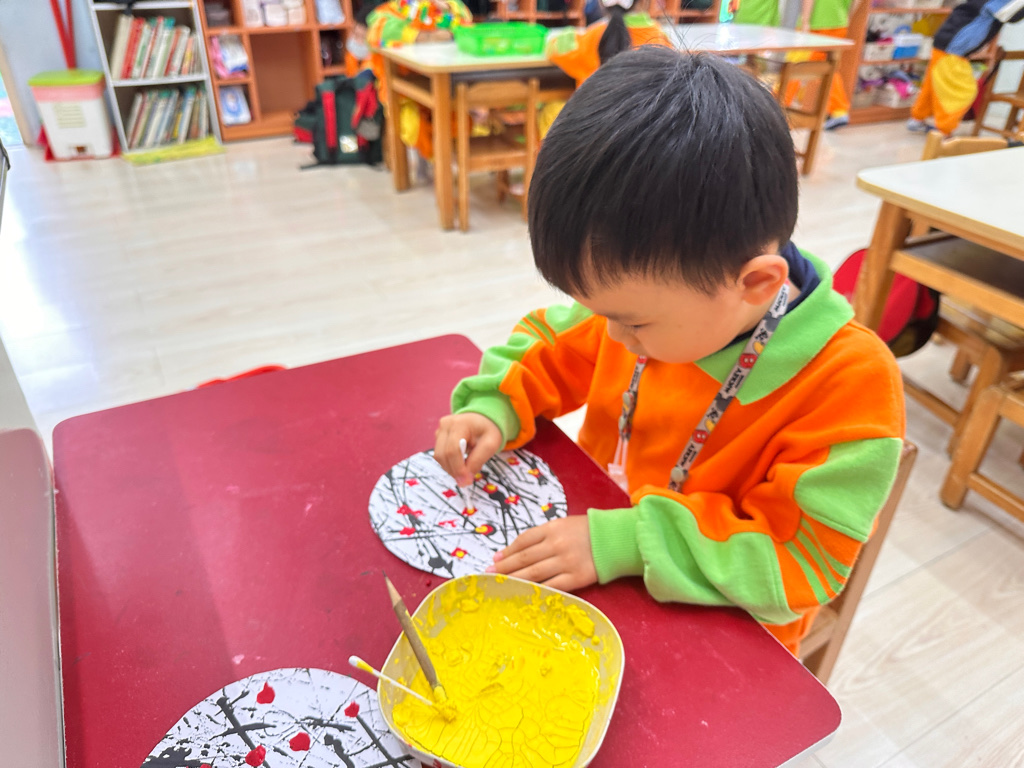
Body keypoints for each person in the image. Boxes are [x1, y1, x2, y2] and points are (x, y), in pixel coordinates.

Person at [432, 47, 905, 656]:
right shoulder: (655, 298)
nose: (611, 336)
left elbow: (801, 558)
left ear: (755, 284)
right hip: (595, 549)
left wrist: (628, 542)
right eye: (601, 312)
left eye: (632, 322)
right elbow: (550, 343)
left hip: (725, 634)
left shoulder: (849, 385)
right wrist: (494, 405)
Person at [539, 0, 669, 135]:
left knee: (549, 111)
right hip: (642, 132)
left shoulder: (595, 35)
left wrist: (566, 35)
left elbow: (556, 50)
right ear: (645, 2)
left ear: (602, 3)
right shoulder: (660, 37)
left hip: (593, 129)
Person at [366, 0, 474, 162]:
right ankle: (434, 161)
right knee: (413, 127)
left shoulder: (450, 6)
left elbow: (466, 22)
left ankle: (447, 161)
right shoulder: (394, 9)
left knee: (463, 123)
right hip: (402, 92)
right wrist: (423, 37)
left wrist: (449, 10)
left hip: (444, 85)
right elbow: (376, 32)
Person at [908, 0, 1024, 134]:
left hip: (948, 44)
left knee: (933, 84)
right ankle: (943, 130)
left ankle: (917, 118)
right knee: (961, 91)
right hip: (953, 48)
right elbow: (1010, 14)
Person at [793, 0, 860, 130]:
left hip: (816, 23)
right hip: (839, 23)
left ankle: (776, 104)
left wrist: (805, 21)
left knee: (796, 65)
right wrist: (847, 16)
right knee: (827, 68)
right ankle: (839, 110)